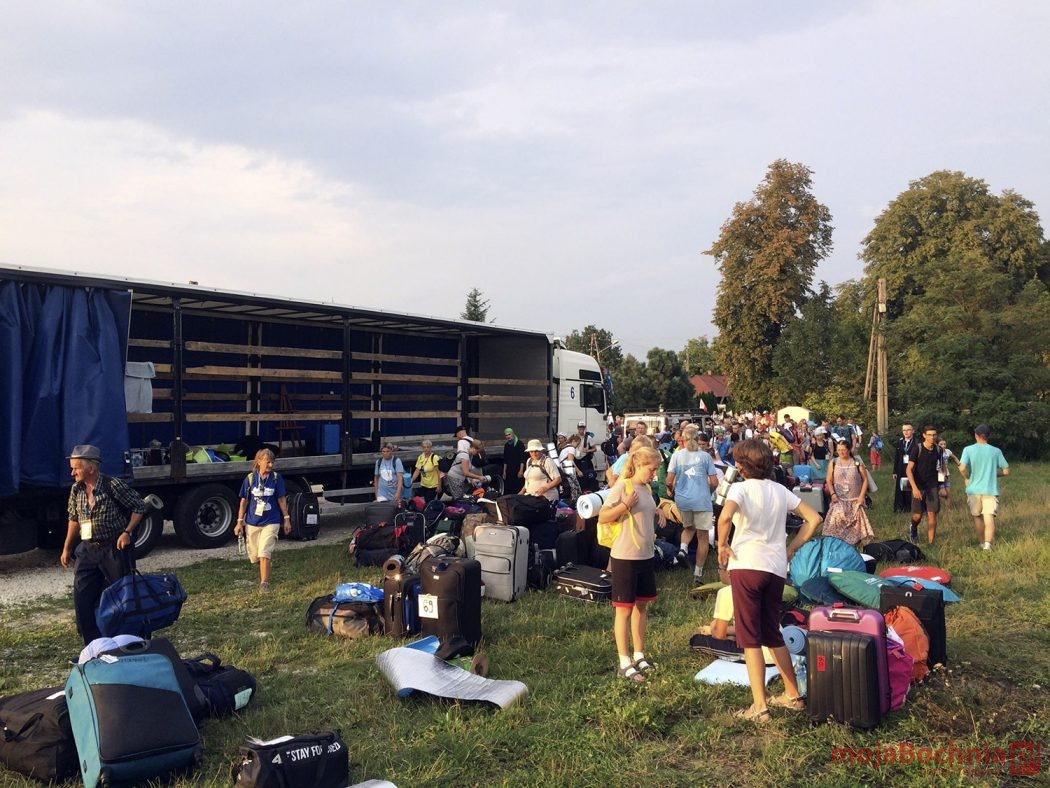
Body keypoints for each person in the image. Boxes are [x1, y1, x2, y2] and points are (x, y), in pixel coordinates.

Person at [716, 439, 822, 722]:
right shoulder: (780, 490)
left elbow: (725, 517)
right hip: (775, 567)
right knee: (772, 632)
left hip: (747, 564)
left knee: (750, 637)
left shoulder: (739, 489)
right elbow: (813, 519)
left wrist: (722, 545)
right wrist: (792, 548)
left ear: (741, 466)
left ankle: (759, 707)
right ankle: (792, 695)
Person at [62, 444, 149, 644]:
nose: (72, 473)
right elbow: (73, 519)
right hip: (87, 549)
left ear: (91, 469)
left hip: (113, 548)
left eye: (76, 468)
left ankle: (127, 641)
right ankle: (93, 645)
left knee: (121, 597)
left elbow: (139, 506)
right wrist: (67, 548)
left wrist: (127, 532)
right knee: (82, 597)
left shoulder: (113, 485)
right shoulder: (76, 489)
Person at [598, 446, 667, 683]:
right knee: (624, 610)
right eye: (652, 469)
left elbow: (644, 510)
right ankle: (624, 661)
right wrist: (624, 505)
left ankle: (639, 654)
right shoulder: (623, 487)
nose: (654, 474)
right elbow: (603, 516)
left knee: (641, 607)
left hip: (645, 555)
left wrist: (658, 511)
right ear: (638, 465)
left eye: (656, 469)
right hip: (625, 556)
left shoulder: (646, 488)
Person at [665, 425, 719, 584]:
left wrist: (671, 490)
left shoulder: (677, 456)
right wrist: (709, 492)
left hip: (683, 499)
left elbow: (668, 481)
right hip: (702, 500)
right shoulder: (706, 457)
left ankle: (683, 549)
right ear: (697, 439)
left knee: (688, 528)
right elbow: (714, 482)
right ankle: (698, 574)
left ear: (682, 440)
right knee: (703, 537)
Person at [235, 448, 292, 594]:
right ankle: (263, 574)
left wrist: (286, 519)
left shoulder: (276, 478)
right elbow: (244, 502)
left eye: (272, 462)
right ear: (259, 461)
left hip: (271, 521)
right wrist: (239, 522)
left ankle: (264, 584)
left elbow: (281, 499)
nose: (270, 465)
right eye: (268, 462)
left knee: (264, 551)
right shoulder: (249, 479)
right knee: (255, 555)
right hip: (252, 522)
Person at [957, 424, 1010, 550]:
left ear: (976, 435)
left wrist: (966, 478)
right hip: (990, 490)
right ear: (988, 436)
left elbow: (962, 468)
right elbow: (1006, 471)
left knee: (977, 517)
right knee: (989, 517)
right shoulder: (996, 451)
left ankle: (981, 543)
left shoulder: (968, 449)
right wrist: (993, 472)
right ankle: (988, 545)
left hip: (974, 489)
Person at [822, 439, 874, 548]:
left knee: (856, 526)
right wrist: (833, 494)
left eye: (843, 450)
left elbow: (865, 480)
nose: (841, 452)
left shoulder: (857, 462)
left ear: (849, 450)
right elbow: (829, 480)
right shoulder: (834, 462)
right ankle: (838, 545)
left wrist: (861, 497)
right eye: (839, 450)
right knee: (836, 522)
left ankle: (853, 546)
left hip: (855, 500)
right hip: (839, 499)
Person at [905, 426, 943, 545]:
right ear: (924, 435)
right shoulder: (917, 448)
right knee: (918, 516)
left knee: (932, 514)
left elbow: (942, 468)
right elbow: (908, 470)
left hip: (932, 486)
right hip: (918, 486)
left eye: (934, 435)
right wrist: (914, 488)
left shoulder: (938, 450)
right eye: (930, 435)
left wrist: (942, 486)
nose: (932, 437)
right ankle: (913, 528)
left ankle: (931, 543)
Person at [892, 423, 917, 513]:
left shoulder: (916, 443)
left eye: (908, 430)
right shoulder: (900, 442)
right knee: (901, 488)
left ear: (913, 431)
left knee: (910, 488)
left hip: (912, 470)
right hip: (901, 469)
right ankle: (900, 507)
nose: (906, 432)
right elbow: (897, 458)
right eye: (904, 430)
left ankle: (910, 507)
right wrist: (895, 471)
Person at [502, 427, 527, 494]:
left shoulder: (519, 443)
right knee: (510, 487)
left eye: (509, 434)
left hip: (517, 469)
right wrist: (504, 471)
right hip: (510, 470)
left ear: (512, 434)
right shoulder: (506, 445)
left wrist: (521, 470)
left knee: (518, 487)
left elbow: (522, 458)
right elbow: (505, 459)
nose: (508, 436)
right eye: (506, 435)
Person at [936, 438, 955, 509]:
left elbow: (954, 457)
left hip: (946, 474)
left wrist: (959, 464)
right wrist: (942, 475)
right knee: (944, 493)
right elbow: (938, 466)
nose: (943, 446)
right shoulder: (936, 452)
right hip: (939, 474)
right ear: (937, 445)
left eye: (944, 444)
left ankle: (948, 510)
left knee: (948, 494)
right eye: (941, 444)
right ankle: (933, 494)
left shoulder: (947, 451)